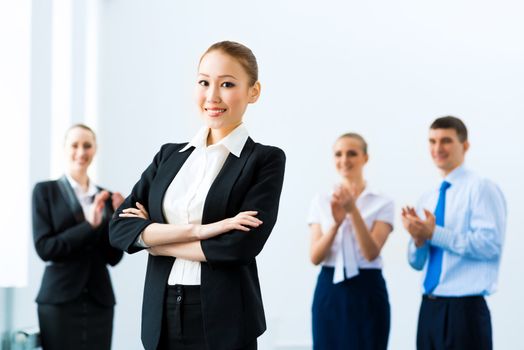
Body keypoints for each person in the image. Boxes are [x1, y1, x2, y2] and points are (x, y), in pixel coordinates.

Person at [109, 41, 286, 350]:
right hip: (161, 315)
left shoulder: (265, 160)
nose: (212, 96)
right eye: (204, 82)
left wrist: (154, 241)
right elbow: (119, 229)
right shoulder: (168, 157)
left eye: (227, 84)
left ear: (253, 92)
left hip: (225, 318)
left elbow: (239, 248)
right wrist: (200, 231)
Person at [402, 116, 506, 350]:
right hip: (429, 309)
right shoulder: (427, 197)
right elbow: (417, 264)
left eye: (446, 141)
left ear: (465, 145)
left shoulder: (481, 188)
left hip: (464, 312)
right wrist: (418, 239)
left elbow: (490, 245)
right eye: (432, 141)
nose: (438, 148)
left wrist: (435, 233)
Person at [32, 124, 124, 350]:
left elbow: (112, 258)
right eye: (74, 145)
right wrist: (89, 226)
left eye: (87, 146)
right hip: (58, 300)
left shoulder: (107, 197)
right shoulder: (45, 191)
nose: (81, 152)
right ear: (64, 148)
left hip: (99, 299)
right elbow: (45, 248)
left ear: (95, 150)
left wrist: (119, 222)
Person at [308, 133, 394, 350]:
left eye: (352, 153)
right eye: (339, 154)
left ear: (365, 158)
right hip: (330, 289)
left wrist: (352, 210)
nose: (344, 159)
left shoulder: (382, 201)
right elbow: (315, 257)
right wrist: (336, 224)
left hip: (367, 288)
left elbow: (371, 252)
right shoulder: (321, 200)